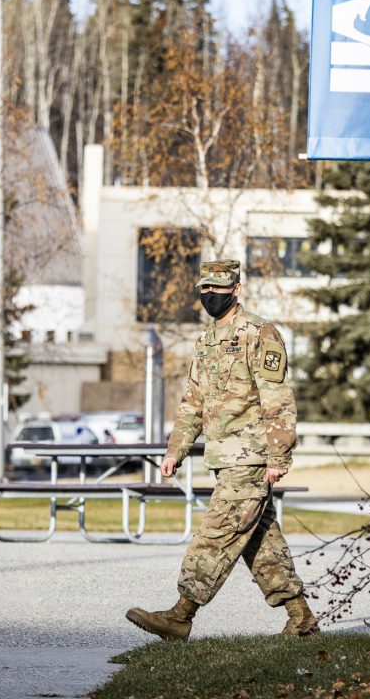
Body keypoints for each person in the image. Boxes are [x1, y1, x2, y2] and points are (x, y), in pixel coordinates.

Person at [126, 259, 319, 641]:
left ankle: (181, 616)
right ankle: (301, 620)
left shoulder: (259, 333)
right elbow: (192, 402)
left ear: (237, 290)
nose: (211, 296)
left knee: (216, 534)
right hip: (224, 457)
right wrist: (174, 451)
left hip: (250, 457)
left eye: (219, 289)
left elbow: (277, 400)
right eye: (205, 290)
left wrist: (278, 457)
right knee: (260, 541)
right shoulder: (206, 341)